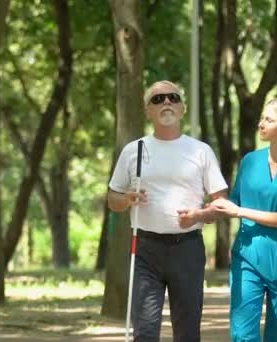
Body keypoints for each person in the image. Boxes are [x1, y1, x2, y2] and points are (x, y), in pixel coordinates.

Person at [107, 80, 228, 341]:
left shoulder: (200, 151)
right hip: (145, 249)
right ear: (147, 111)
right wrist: (127, 199)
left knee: (186, 331)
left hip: (187, 248)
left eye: (173, 98)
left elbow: (222, 203)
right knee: (145, 331)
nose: (166, 103)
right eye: (157, 99)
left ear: (182, 108)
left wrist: (199, 215)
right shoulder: (133, 150)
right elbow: (112, 199)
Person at [210, 98, 277, 341]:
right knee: (242, 335)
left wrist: (240, 212)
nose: (261, 124)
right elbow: (232, 205)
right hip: (247, 258)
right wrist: (199, 214)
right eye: (262, 118)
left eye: (269, 119)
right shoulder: (250, 162)